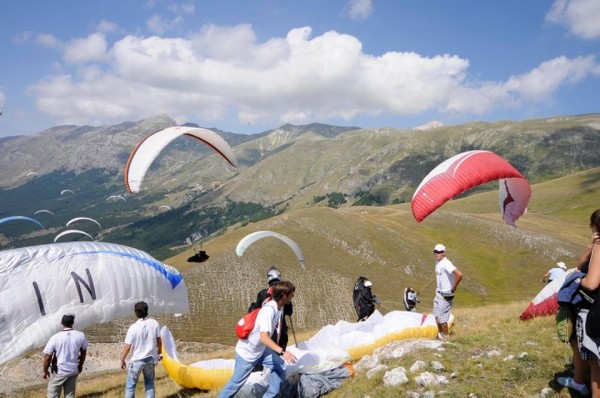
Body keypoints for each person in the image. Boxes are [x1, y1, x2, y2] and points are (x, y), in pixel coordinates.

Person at [220, 280, 297, 398]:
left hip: (260, 350)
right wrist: (283, 352)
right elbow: (263, 337)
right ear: (284, 296)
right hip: (247, 353)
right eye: (291, 294)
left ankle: (270, 395)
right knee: (235, 385)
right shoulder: (269, 311)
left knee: (280, 366)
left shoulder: (279, 307)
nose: (293, 296)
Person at [559, 209, 600, 397]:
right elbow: (581, 263)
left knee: (595, 364)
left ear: (594, 227)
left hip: (593, 310)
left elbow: (591, 283)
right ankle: (578, 380)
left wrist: (577, 278)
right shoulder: (595, 246)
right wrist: (589, 246)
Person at [120, 301, 162, 398]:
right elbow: (159, 340)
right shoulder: (154, 323)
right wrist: (159, 353)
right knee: (149, 384)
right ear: (147, 311)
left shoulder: (133, 328)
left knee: (130, 387)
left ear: (136, 313)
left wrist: (122, 359)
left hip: (137, 361)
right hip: (151, 359)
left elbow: (127, 347)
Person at [42, 313, 88, 398]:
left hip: (59, 371)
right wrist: (80, 365)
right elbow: (83, 352)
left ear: (61, 323)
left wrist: (45, 371)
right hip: (73, 370)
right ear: (73, 322)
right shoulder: (81, 335)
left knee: (53, 395)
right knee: (70, 395)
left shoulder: (55, 337)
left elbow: (47, 357)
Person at [248, 266, 293, 350]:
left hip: (265, 331)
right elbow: (289, 312)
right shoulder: (285, 293)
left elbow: (256, 309)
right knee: (279, 353)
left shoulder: (263, 293)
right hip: (281, 333)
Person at [432, 243, 463, 339]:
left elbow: (459, 274)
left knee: (442, 318)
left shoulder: (446, 263)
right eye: (435, 252)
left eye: (439, 252)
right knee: (436, 315)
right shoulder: (438, 262)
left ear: (443, 253)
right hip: (438, 292)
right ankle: (440, 335)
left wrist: (454, 287)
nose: (437, 253)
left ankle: (446, 337)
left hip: (445, 294)